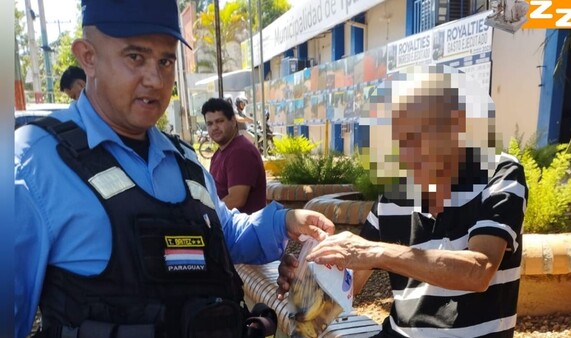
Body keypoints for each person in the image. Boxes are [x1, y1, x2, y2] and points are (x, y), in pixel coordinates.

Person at [14, 1, 335, 338]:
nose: (154, 79)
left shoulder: (183, 159)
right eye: (135, 57)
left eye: (165, 60)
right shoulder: (33, 162)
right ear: (88, 57)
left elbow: (227, 234)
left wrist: (284, 223)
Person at [277, 64, 528, 338]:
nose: (408, 149)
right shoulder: (396, 193)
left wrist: (377, 252)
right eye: (402, 134)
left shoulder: (499, 172)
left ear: (457, 122)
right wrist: (306, 278)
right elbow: (350, 281)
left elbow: (479, 270)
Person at [201, 97, 267, 213]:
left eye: (220, 121)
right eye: (210, 123)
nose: (214, 127)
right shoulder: (219, 153)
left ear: (233, 121)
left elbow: (236, 200)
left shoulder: (240, 152)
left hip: (243, 229)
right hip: (225, 227)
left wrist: (205, 214)